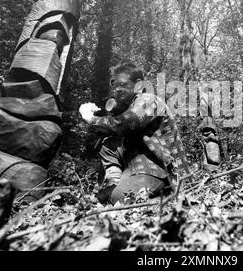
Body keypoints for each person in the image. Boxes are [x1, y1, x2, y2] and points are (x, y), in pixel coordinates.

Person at [79, 63, 191, 204]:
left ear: (138, 85)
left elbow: (122, 124)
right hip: (135, 168)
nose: (117, 89)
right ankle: (114, 183)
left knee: (120, 197)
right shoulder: (128, 107)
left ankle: (168, 195)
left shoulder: (149, 99)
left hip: (159, 170)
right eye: (114, 86)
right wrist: (100, 113)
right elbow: (110, 133)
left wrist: (90, 118)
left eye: (122, 84)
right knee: (107, 146)